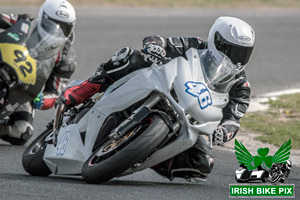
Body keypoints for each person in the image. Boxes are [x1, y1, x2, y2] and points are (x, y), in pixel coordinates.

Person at [60, 16, 254, 182]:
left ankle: (144, 153)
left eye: (243, 53)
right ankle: (87, 87)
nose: (237, 58)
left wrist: (224, 132)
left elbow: (233, 120)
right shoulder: (197, 45)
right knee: (129, 56)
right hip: (163, 86)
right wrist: (155, 47)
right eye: (233, 50)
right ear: (217, 41)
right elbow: (160, 40)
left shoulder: (241, 86)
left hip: (188, 119)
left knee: (202, 163)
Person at [0, 0, 77, 145]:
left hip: (23, 88)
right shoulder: (25, 22)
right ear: (43, 17)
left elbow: (56, 93)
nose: (56, 30)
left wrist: (42, 100)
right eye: (52, 23)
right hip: (5, 61)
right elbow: (2, 18)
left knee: (22, 130)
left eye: (64, 28)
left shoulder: (67, 58)